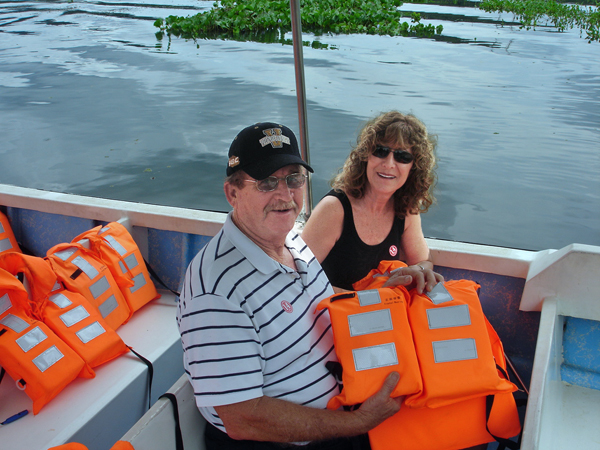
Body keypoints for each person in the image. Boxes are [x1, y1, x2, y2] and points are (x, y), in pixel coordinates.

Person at [177, 122, 403, 450]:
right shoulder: (216, 293)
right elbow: (243, 418)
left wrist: (380, 293)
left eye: (294, 179)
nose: (285, 195)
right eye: (267, 182)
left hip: (341, 412)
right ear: (232, 193)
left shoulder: (291, 238)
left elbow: (314, 302)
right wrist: (358, 422)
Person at [302, 111, 444, 294]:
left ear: (413, 168)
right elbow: (300, 278)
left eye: (402, 157)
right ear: (365, 156)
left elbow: (423, 261)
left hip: (381, 312)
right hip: (331, 315)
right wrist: (369, 300)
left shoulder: (406, 210)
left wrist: (419, 271)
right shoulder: (334, 209)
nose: (389, 163)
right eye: (381, 151)